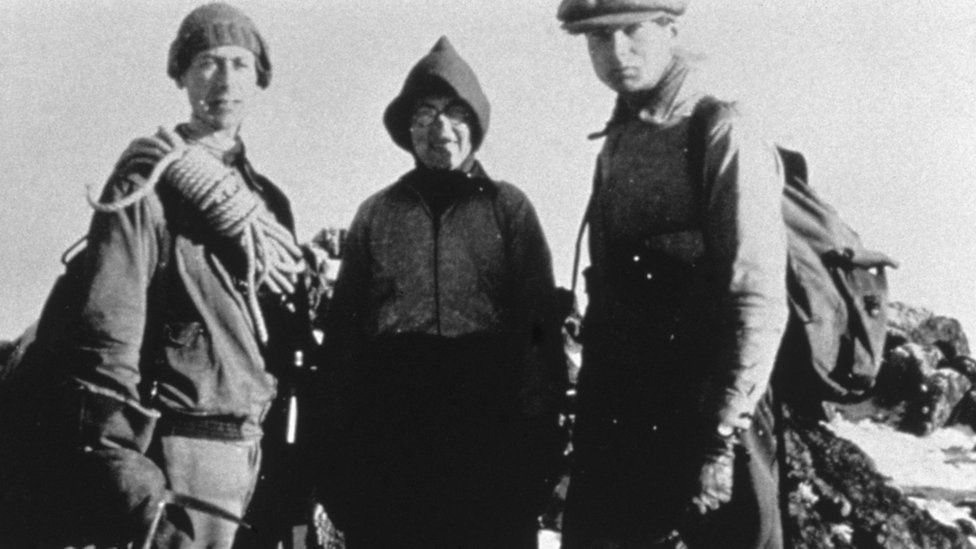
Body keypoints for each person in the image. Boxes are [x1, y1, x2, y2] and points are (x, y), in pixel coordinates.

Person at [1, 4, 306, 547]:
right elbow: (106, 341)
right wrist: (133, 484)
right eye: (208, 62)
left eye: (240, 63)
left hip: (254, 456)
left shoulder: (269, 204)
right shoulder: (146, 186)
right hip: (176, 454)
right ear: (182, 75)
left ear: (259, 77)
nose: (226, 79)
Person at [315, 36, 566, 549]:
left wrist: (538, 438)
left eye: (455, 113)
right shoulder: (377, 214)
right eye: (425, 114)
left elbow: (538, 329)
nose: (440, 128)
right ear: (407, 129)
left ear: (474, 125)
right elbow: (345, 337)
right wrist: (336, 444)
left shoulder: (508, 209)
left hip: (484, 416)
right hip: (395, 419)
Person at [555, 1, 789, 548]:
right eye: (597, 39)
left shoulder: (721, 130)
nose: (616, 52)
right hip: (624, 409)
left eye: (631, 31)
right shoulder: (620, 138)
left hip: (709, 413)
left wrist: (721, 442)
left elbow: (757, 299)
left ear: (670, 31)